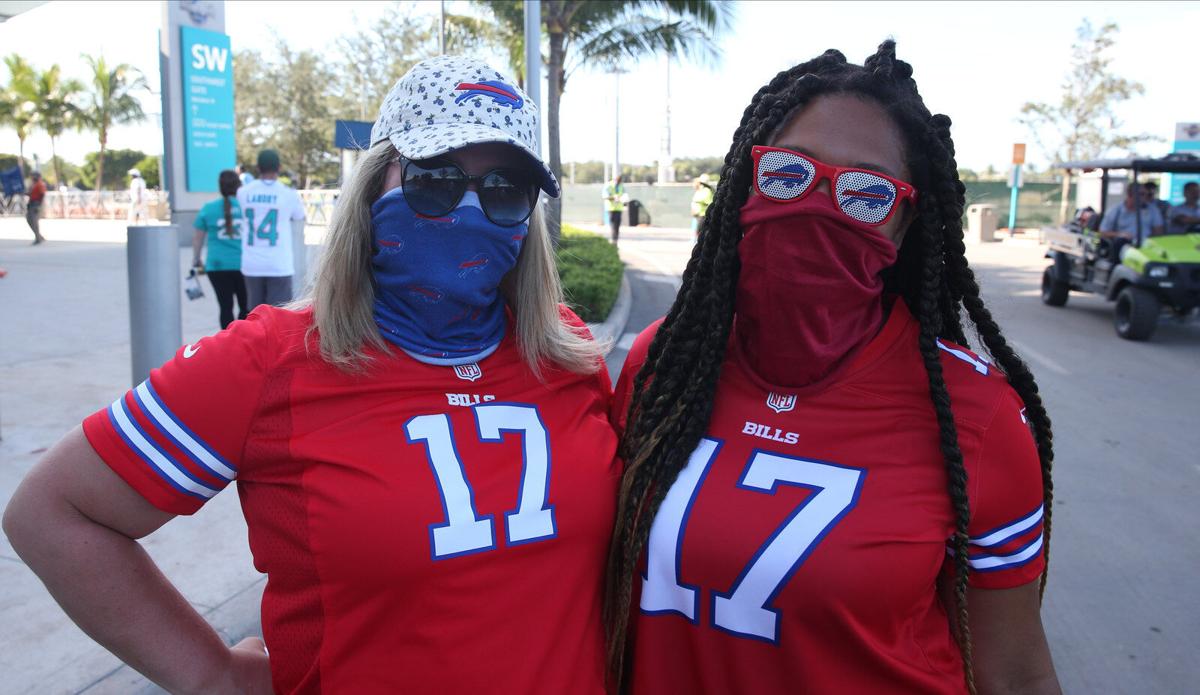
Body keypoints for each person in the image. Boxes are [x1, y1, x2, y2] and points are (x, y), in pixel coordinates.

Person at [3, 54, 618, 695]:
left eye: (503, 190)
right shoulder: (267, 360)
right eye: (434, 179)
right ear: (374, 184)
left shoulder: (566, 352)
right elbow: (52, 513)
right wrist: (209, 672)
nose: (466, 211)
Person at [604, 42, 1061, 695]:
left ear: (905, 224)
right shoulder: (662, 363)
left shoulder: (977, 415)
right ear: (744, 182)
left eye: (866, 192)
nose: (819, 205)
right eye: (790, 173)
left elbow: (1015, 672)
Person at [237, 149, 306, 309]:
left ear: (258, 168)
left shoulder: (243, 192)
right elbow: (299, 216)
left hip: (252, 263)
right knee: (279, 317)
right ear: (279, 168)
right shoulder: (288, 194)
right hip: (279, 263)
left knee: (254, 317)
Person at [192, 170, 248, 329]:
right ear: (239, 186)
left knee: (225, 307)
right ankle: (244, 341)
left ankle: (227, 342)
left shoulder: (208, 209)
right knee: (246, 307)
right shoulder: (246, 207)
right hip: (243, 264)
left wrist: (196, 259)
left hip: (217, 265)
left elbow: (197, 238)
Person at [1098, 183, 1163, 258]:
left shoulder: (1152, 210)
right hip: (1124, 247)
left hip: (1146, 247)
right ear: (1130, 195)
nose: (1146, 197)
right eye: (1142, 194)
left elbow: (1158, 232)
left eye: (1147, 194)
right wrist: (1120, 234)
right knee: (1120, 242)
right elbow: (1102, 233)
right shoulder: (1116, 210)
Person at [603, 174, 628, 245]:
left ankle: (616, 239)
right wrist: (613, 198)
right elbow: (604, 196)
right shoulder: (608, 186)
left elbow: (624, 195)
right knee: (613, 224)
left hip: (619, 208)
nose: (619, 182)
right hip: (611, 208)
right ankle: (613, 239)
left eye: (620, 181)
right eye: (617, 180)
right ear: (614, 179)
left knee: (617, 225)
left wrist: (624, 201)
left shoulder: (621, 186)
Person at [690, 173, 715, 237]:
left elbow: (709, 203)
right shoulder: (700, 191)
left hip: (703, 215)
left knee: (700, 234)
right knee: (696, 233)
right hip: (697, 215)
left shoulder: (707, 191)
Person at [26, 171, 46, 245]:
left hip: (36, 204)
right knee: (29, 220)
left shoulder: (40, 184)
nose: (32, 177)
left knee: (34, 221)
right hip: (31, 204)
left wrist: (39, 205)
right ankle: (39, 236)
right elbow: (31, 194)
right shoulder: (33, 185)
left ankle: (38, 238)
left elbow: (42, 194)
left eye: (33, 176)